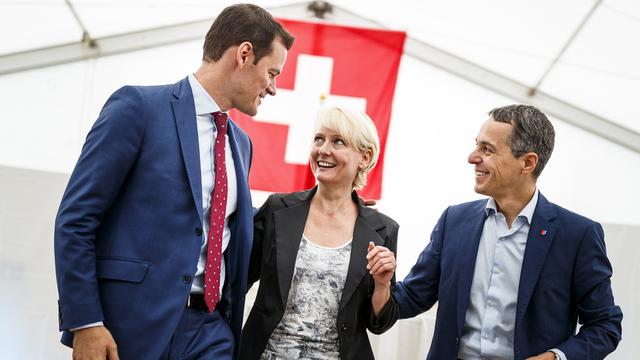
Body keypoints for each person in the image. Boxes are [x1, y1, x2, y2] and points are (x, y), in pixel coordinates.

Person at [54, 4, 294, 359]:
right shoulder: (138, 108)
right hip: (130, 328)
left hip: (211, 332)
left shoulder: (242, 145)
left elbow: (231, 230)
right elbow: (75, 221)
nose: (272, 88)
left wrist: (327, 206)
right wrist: (85, 322)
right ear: (244, 54)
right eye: (272, 72)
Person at [383, 105, 623, 360]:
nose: (472, 157)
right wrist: (377, 278)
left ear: (528, 162)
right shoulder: (454, 220)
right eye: (477, 145)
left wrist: (555, 357)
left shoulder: (578, 235)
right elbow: (408, 298)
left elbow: (605, 325)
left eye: (487, 149)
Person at [240, 106, 399, 360]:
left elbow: (378, 324)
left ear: (365, 157)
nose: (323, 150)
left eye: (338, 141)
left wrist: (382, 286)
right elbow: (238, 280)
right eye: (319, 139)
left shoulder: (383, 229)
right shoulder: (277, 210)